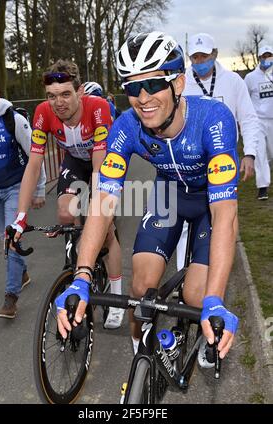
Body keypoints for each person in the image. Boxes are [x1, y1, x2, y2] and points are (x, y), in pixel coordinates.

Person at [55, 31, 239, 367]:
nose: (142, 97)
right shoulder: (126, 127)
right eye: (131, 87)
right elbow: (104, 199)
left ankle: (202, 321)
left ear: (178, 84)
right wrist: (82, 274)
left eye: (153, 84)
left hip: (208, 204)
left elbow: (225, 213)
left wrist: (215, 299)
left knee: (198, 296)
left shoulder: (213, 119)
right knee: (140, 288)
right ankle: (141, 356)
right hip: (168, 195)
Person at [10, 60, 124, 329]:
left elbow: (98, 167)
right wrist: (21, 216)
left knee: (106, 230)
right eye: (51, 96)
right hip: (74, 161)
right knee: (64, 211)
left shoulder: (98, 109)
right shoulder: (42, 113)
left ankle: (117, 295)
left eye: (65, 94)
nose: (58, 103)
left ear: (80, 91)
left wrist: (99, 216)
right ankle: (75, 259)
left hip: (103, 162)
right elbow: (34, 166)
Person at [175, 32, 260, 269]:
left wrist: (250, 154)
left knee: (221, 218)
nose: (200, 61)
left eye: (204, 56)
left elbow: (249, 119)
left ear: (215, 54)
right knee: (182, 224)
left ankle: (217, 272)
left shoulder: (233, 82)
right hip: (189, 161)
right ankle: (184, 278)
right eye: (195, 57)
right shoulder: (182, 84)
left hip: (222, 161)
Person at [0, 76, 46, 318]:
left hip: (16, 188)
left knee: (11, 237)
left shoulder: (13, 119)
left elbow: (35, 155)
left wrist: (39, 188)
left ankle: (11, 296)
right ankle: (22, 273)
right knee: (7, 238)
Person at [244, 45, 273, 200]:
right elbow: (244, 97)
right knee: (260, 153)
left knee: (269, 153)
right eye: (264, 56)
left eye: (269, 56)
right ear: (259, 57)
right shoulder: (250, 78)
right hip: (258, 121)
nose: (267, 59)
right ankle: (263, 187)